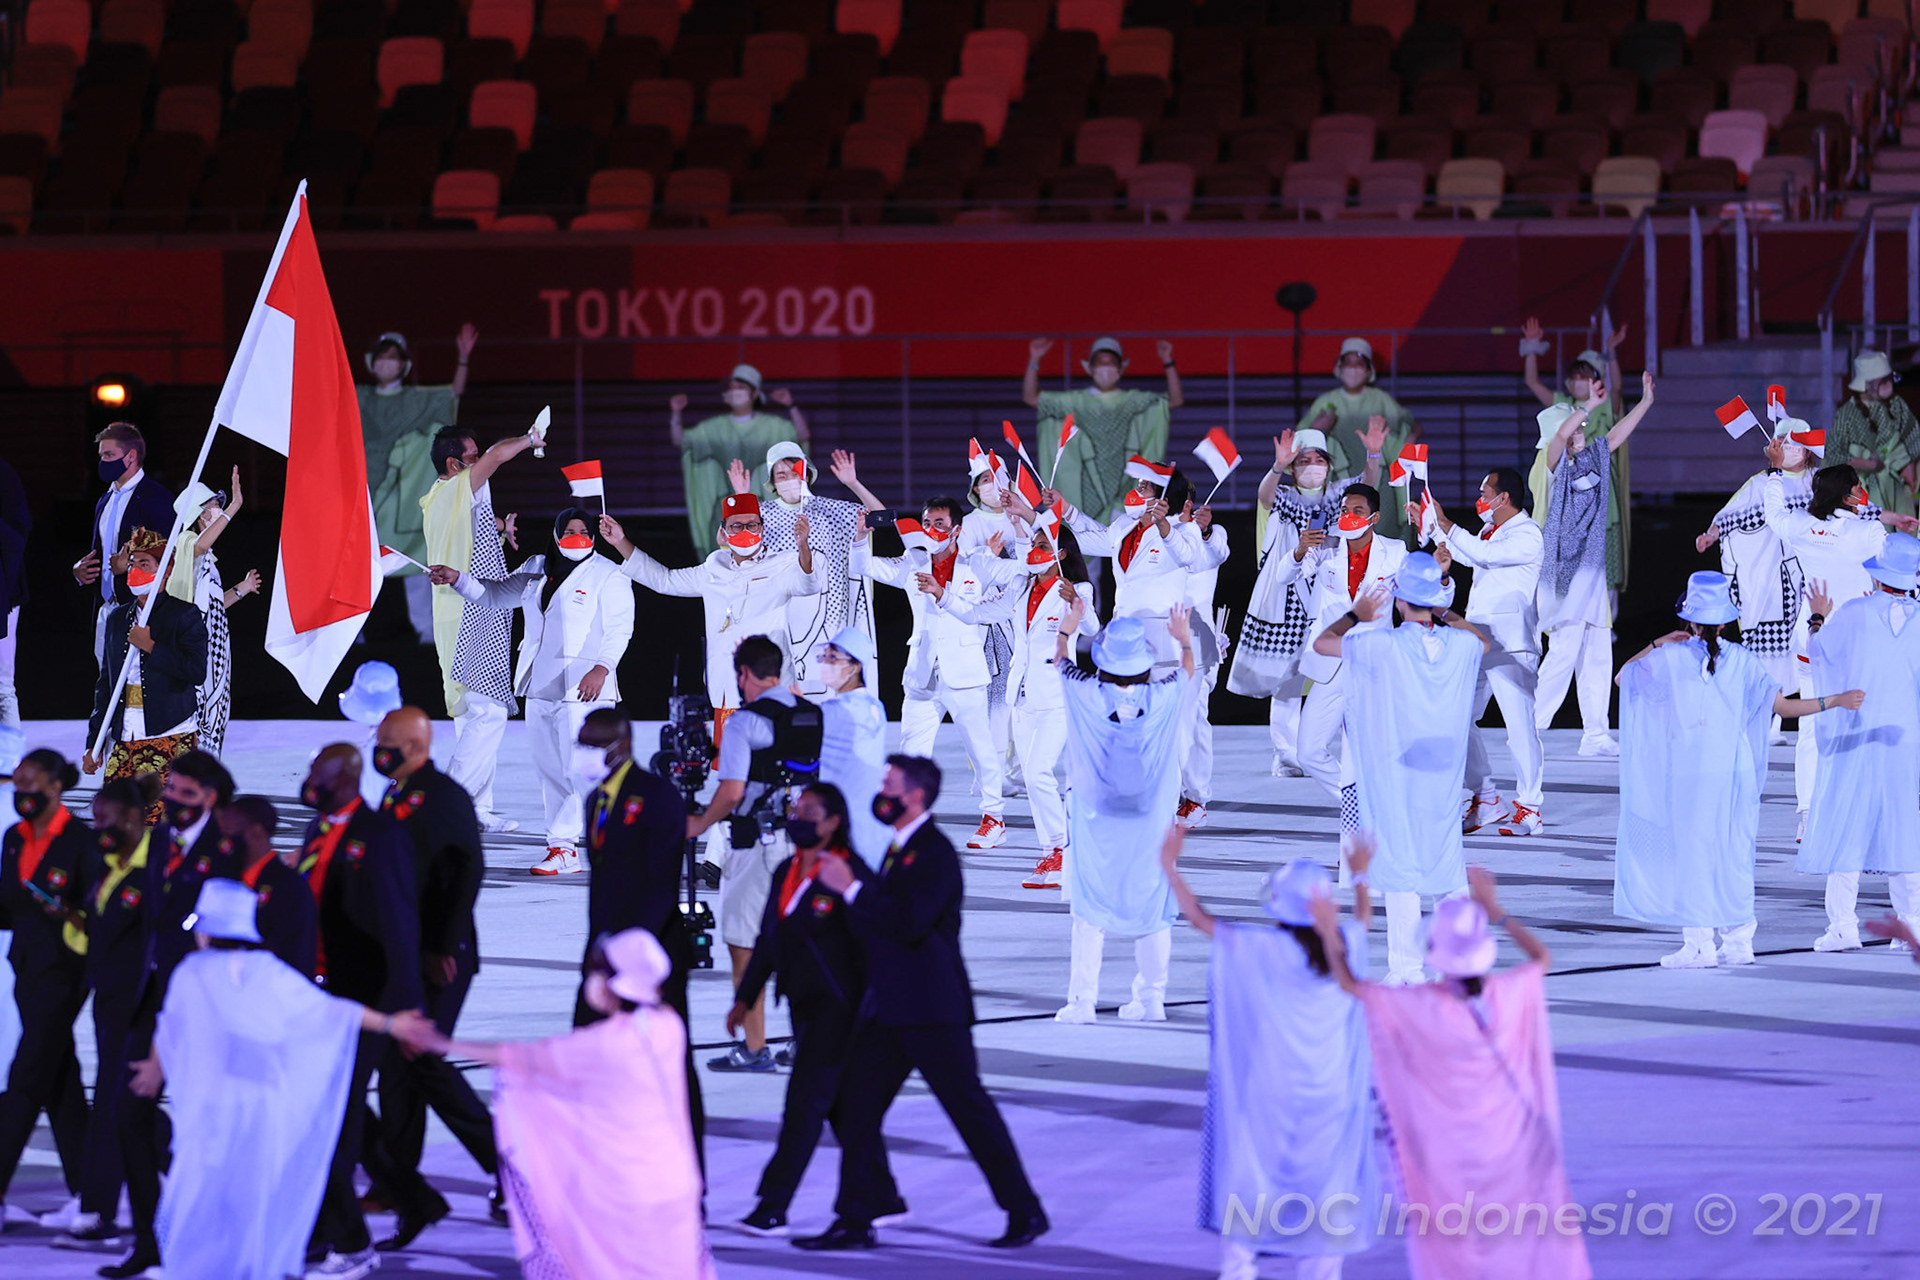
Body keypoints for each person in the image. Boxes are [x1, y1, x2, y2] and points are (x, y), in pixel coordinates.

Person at [798, 756, 1048, 1251]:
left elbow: (907, 921)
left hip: (933, 1012)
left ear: (913, 795)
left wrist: (849, 887)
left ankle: (1025, 1210)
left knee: (969, 1112)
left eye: (889, 784)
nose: (881, 790)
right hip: (891, 1009)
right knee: (853, 1108)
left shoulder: (933, 853)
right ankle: (856, 1216)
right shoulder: (899, 849)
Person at [131, 878, 433, 1280]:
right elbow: (331, 1012)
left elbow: (171, 1026)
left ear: (207, 929)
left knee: (205, 1190)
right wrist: (391, 1023)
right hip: (264, 1109)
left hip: (213, 1113)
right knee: (255, 1195)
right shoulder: (269, 972)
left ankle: (205, 1263)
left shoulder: (192, 973)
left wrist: (154, 1069)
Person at [1312, 862, 1591, 1280]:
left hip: (1447, 1151)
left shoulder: (1421, 1005)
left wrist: (1329, 930)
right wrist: (1497, 911)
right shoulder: (1507, 993)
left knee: (1458, 1241)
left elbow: (1351, 984)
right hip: (1508, 1144)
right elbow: (1542, 958)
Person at [409, 929, 717, 1279]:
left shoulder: (601, 1046)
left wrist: (438, 1042)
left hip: (626, 1191)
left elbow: (519, 1057)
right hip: (675, 1180)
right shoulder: (668, 1025)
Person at [1614, 572, 1865, 967]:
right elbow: (1783, 708)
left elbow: (1623, 678)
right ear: (1726, 620)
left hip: (1689, 775)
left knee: (1693, 855)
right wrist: (1834, 701)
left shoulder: (1672, 656)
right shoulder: (1744, 661)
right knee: (1732, 853)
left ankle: (1699, 944)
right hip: (1735, 773)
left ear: (1689, 619)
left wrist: (1657, 642)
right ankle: (1738, 940)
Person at [1162, 828, 1380, 1280]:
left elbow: (1201, 920)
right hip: (1332, 1094)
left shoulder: (1259, 947)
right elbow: (1363, 921)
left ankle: (1239, 1268)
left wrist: (1169, 867)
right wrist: (1360, 876)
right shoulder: (1346, 947)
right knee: (1329, 1183)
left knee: (1251, 1173)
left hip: (1267, 1092)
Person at [730, 783, 900, 1238]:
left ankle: (774, 1204)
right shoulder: (787, 869)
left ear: (833, 822)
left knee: (803, 1105)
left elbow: (879, 946)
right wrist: (745, 997)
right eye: (795, 808)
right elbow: (769, 941)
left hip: (842, 1012)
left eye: (808, 811)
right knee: (843, 1109)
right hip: (804, 1007)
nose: (796, 815)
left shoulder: (850, 873)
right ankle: (882, 1193)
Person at [363, 706, 502, 1248]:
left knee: (419, 1062)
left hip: (440, 957)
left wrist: (443, 944)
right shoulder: (400, 794)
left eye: (390, 741)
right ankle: (400, 1183)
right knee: (402, 1071)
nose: (381, 748)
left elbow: (468, 867)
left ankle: (511, 1168)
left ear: (418, 745)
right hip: (409, 956)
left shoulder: (440, 795)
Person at [1313, 553, 1487, 984]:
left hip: (1396, 770)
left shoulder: (1382, 645)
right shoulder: (1459, 644)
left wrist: (1356, 614)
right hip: (1441, 770)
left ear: (1398, 600)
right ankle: (1463, 959)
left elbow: (1323, 644)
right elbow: (1481, 642)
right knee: (1446, 861)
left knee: (1399, 861)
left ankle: (1406, 968)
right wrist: (1446, 610)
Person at [435, 507, 636, 875]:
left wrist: (602, 668)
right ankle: (562, 849)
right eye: (570, 530)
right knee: (551, 770)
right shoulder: (538, 567)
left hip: (585, 686)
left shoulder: (609, 575)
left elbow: (620, 629)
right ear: (557, 534)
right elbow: (495, 595)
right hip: (540, 685)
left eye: (584, 531)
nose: (578, 536)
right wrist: (457, 579)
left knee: (584, 772)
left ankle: (613, 841)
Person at [293, 744, 424, 1277]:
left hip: (364, 998)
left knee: (334, 1123)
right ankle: (407, 1201)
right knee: (336, 1118)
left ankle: (347, 1241)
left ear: (347, 777)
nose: (308, 781)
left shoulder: (378, 835)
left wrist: (408, 1009)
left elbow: (399, 925)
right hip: (318, 995)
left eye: (318, 773)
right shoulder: (317, 829)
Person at [1052, 607, 1199, 1024]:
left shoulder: (1084, 692)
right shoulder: (1165, 694)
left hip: (1096, 821)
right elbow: (1187, 667)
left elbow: (1060, 658)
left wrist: (1067, 626)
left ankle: (1082, 1002)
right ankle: (1151, 999)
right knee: (1153, 904)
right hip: (1150, 820)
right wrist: (1183, 638)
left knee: (1088, 904)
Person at [573, 709, 705, 1156]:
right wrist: (599, 950)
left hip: (653, 956)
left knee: (670, 1069)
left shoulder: (657, 796)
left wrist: (626, 953)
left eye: (591, 745)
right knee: (586, 1054)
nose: (584, 754)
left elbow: (659, 886)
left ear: (620, 746)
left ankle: (692, 1178)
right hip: (602, 954)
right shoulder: (596, 802)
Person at [936, 525, 1097, 889]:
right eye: (1034, 544)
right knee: (1031, 775)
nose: (1035, 550)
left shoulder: (1077, 589)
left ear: (1062, 553)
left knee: (1039, 773)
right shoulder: (1021, 587)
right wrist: (943, 596)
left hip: (1056, 697)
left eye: (1043, 545)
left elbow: (1091, 627)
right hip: (1021, 696)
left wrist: (1076, 604)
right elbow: (979, 613)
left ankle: (1060, 850)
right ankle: (1050, 854)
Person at [1762, 459, 1917, 836]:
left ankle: (1807, 815)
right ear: (1849, 494)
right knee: (1865, 723)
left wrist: (1777, 471)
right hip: (1857, 641)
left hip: (1811, 639)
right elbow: (1900, 563)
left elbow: (1773, 513)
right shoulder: (1868, 533)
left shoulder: (1802, 526)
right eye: (1858, 485)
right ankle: (1868, 813)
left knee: (1812, 727)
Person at [685, 635, 818, 1073]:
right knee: (800, 945)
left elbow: (732, 790)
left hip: (757, 847)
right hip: (805, 847)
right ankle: (804, 1040)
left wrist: (699, 824)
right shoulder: (815, 714)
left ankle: (755, 1047)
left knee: (744, 944)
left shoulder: (745, 722)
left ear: (743, 675)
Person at [852, 501, 1007, 849]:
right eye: (926, 522)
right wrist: (861, 537)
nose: (930, 528)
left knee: (981, 749)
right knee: (911, 751)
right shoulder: (914, 561)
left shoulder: (977, 563)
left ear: (956, 530)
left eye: (938, 522)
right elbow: (864, 566)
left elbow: (1014, 578)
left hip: (965, 673)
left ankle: (994, 818)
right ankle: (905, 817)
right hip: (922, 671)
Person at [1797, 533, 1920, 952]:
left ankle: (1843, 926)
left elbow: (1818, 654)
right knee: (1904, 829)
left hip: (1859, 739)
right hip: (1905, 743)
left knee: (1848, 825)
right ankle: (1912, 925)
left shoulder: (1856, 612)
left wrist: (1817, 617)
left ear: (1880, 576)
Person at [420, 425, 542, 833]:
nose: (480, 463)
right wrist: (529, 439)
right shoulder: (454, 490)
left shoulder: (443, 501)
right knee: (488, 711)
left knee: (471, 714)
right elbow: (495, 454)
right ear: (454, 464)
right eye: (470, 457)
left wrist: (499, 533)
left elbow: (468, 541)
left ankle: (476, 809)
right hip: (469, 613)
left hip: (466, 609)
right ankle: (448, 803)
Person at [1231, 428, 1369, 777]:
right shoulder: (1286, 495)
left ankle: (1326, 749)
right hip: (1290, 595)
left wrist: (1374, 455)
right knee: (1288, 678)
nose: (1312, 467)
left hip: (1330, 594)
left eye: (1318, 461)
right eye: (1303, 461)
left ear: (1328, 465)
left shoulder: (1339, 495)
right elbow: (1264, 495)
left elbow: (1368, 484)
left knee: (1333, 674)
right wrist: (1277, 467)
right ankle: (1286, 752)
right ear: (1293, 468)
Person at [600, 495, 820, 714]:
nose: (745, 531)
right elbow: (664, 580)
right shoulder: (713, 568)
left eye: (752, 525)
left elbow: (808, 585)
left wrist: (803, 548)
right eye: (736, 526)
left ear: (762, 528)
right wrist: (620, 542)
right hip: (725, 686)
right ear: (723, 533)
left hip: (770, 688)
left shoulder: (782, 564)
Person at [1534, 371, 1656, 756]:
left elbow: (1616, 437)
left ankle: (1596, 734)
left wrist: (1645, 403)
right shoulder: (1546, 466)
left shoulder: (1590, 459)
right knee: (1565, 653)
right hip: (1560, 573)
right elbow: (1556, 442)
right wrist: (1588, 405)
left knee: (1598, 651)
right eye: (1575, 426)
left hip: (1591, 571)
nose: (1581, 430)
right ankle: (1532, 725)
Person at [1272, 485, 1409, 827]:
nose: (1348, 515)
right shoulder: (1326, 548)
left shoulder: (1395, 551)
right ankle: (1361, 807)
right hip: (1331, 663)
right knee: (1308, 751)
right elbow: (1281, 576)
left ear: (1374, 518)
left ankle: (1381, 820)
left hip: (1374, 664)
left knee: (1371, 752)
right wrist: (1301, 551)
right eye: (1345, 508)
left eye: (1357, 510)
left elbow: (1413, 601)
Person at [0, 749, 93, 1226]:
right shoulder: (14, 839)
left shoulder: (80, 841)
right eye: (16, 788)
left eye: (29, 787)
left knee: (25, 1080)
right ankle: (88, 1199)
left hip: (66, 975)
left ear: (55, 787)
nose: (21, 796)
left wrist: (69, 913)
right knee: (62, 1085)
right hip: (26, 972)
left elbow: (98, 912)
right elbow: (7, 908)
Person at [73, 775, 160, 1266]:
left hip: (148, 1008)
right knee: (122, 1105)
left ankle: (100, 1209)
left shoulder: (157, 867)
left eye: (104, 819)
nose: (96, 827)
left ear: (131, 819)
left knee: (117, 1104)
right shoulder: (103, 864)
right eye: (94, 818)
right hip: (109, 1005)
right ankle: (99, 1208)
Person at [1432, 468, 1547, 836]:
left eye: (1485, 492)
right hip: (1478, 638)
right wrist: (1433, 527)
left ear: (1504, 498)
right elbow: (1471, 555)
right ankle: (1486, 797)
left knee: (1519, 729)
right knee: (1457, 716)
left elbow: (1483, 554)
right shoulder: (1487, 532)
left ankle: (1530, 808)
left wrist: (1446, 523)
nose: (1480, 497)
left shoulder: (1528, 535)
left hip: (1513, 644)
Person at [1696, 421, 1826, 742]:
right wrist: (1712, 534)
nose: (1791, 449)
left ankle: (1817, 719)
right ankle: (1766, 721)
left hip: (1809, 580)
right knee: (1769, 653)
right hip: (1771, 581)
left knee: (1810, 649)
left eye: (1796, 444)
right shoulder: (1762, 483)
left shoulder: (1817, 483)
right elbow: (1734, 513)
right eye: (1785, 443)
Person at [731, 444, 882, 693]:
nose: (789, 479)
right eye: (781, 475)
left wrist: (853, 483)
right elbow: (727, 538)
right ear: (772, 482)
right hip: (778, 617)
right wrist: (742, 498)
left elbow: (882, 516)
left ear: (806, 474)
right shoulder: (760, 514)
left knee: (823, 695)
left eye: (794, 472)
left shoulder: (832, 510)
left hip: (828, 617)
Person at [362, 325, 478, 644]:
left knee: (415, 558)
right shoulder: (359, 398)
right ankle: (348, 630)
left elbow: (451, 394)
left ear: (404, 364)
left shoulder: (416, 400)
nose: (388, 363)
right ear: (372, 361)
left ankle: (427, 630)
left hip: (404, 496)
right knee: (357, 565)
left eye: (393, 358)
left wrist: (464, 358)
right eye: (382, 357)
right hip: (365, 495)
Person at [83, 526, 209, 816]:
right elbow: (106, 685)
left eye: (145, 564)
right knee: (116, 815)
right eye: (132, 563)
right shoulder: (117, 619)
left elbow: (196, 670)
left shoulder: (183, 614)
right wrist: (95, 742)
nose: (135, 570)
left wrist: (152, 646)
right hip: (125, 732)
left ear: (165, 570)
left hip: (169, 730)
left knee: (162, 818)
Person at [1520, 318, 1632, 594]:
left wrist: (1612, 352)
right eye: (1576, 375)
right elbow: (1532, 382)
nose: (1578, 381)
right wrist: (1532, 347)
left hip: (1597, 486)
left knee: (1603, 546)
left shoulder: (1604, 407)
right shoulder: (1563, 405)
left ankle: (1605, 616)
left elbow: (1616, 391)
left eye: (1586, 375)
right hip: (1568, 490)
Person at [1024, 336, 1180, 524]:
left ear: (1121, 368)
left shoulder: (1131, 401)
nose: (1106, 367)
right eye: (1100, 362)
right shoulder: (1075, 402)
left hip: (1122, 488)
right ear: (1090, 367)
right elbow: (1032, 398)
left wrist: (1168, 361)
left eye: (1111, 363)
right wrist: (1034, 360)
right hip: (1085, 487)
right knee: (1084, 543)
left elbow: (1173, 400)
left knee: (1126, 546)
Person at [163, 470, 262, 755]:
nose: (217, 508)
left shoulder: (208, 559)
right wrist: (233, 507)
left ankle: (206, 775)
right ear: (200, 514)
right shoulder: (186, 543)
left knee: (216, 714)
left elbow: (212, 606)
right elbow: (200, 543)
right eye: (212, 506)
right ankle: (190, 777)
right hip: (197, 650)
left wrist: (241, 589)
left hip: (216, 650)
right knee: (198, 716)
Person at [675, 364, 808, 557]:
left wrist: (790, 405)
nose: (735, 392)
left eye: (741, 387)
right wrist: (675, 413)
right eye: (731, 388)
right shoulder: (714, 427)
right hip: (728, 509)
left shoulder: (773, 426)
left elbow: (801, 437)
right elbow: (682, 441)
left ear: (754, 393)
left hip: (764, 506)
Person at [74, 423, 175, 667]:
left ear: (131, 456)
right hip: (107, 609)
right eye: (101, 456)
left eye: (109, 455)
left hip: (141, 610)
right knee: (106, 685)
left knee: (138, 688)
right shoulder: (105, 500)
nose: (103, 461)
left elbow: (168, 554)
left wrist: (128, 566)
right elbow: (98, 550)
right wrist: (80, 570)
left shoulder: (156, 498)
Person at [1300, 338, 1420, 542]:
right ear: (1339, 367)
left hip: (1381, 481)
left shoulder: (1381, 400)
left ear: (1368, 369)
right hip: (1338, 481)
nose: (1353, 369)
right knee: (1342, 537)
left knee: (1382, 536)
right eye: (1348, 363)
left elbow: (1410, 426)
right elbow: (1299, 441)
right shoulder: (1327, 402)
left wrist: (1407, 443)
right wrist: (1320, 427)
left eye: (1359, 364)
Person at [814, 627, 894, 869]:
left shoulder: (837, 711)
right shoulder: (874, 705)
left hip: (846, 824)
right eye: (824, 658)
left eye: (833, 658)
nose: (826, 664)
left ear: (855, 666)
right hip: (871, 823)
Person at [213, 795, 317, 975]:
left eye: (229, 833)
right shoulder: (223, 879)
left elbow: (296, 956)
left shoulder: (289, 887)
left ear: (255, 832)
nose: (223, 842)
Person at [1830, 349, 1920, 518]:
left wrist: (1911, 464)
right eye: (1882, 380)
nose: (1888, 384)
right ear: (1867, 384)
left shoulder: (1897, 405)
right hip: (1864, 491)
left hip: (1898, 488)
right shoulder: (1847, 415)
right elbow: (1834, 456)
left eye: (1889, 378)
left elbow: (1913, 433)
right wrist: (1869, 465)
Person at [0, 455, 30, 726]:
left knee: (2, 688)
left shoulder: (4, 475)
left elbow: (17, 534)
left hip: (4, 594)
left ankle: (8, 766)